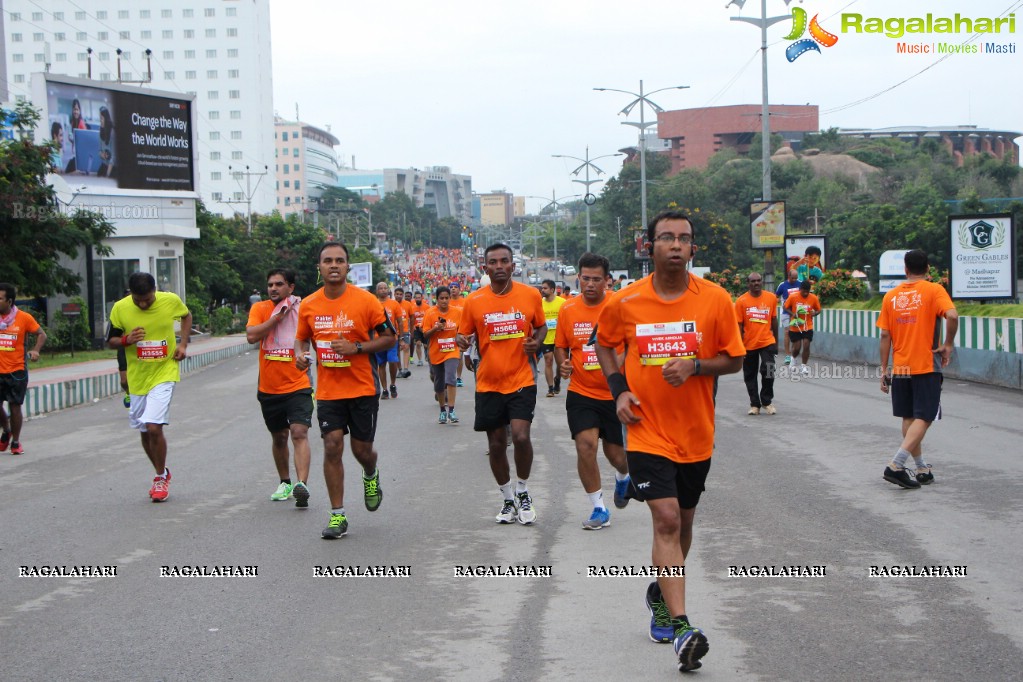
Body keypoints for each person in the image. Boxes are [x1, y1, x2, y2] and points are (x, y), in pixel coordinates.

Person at [596, 210, 744, 672]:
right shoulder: (626, 301)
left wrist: (696, 366)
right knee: (664, 521)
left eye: (684, 238)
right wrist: (619, 388)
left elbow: (734, 360)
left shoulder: (716, 300)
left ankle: (661, 593)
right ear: (650, 247)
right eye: (666, 238)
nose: (676, 245)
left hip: (696, 433)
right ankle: (683, 628)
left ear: (693, 249)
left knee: (683, 524)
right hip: (645, 429)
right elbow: (604, 344)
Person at [294, 242, 394, 539]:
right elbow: (301, 339)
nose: (334, 265)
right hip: (328, 391)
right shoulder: (309, 305)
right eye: (328, 261)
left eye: (340, 260)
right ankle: (338, 516)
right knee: (332, 445)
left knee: (361, 450)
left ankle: (370, 472)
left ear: (348, 266)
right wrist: (300, 355)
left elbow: (389, 337)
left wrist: (357, 347)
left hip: (362, 388)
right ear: (320, 267)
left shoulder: (366, 301)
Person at [456, 243, 546, 525]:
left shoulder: (530, 295)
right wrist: (462, 342)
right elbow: (464, 335)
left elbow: (541, 326)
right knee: (496, 444)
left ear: (512, 266)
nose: (498, 266)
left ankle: (522, 490)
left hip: (521, 378)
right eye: (492, 262)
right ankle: (507, 498)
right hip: (489, 383)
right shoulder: (473, 301)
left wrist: (537, 341)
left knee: (520, 436)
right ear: (485, 268)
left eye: (504, 261)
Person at [553, 254, 631, 530]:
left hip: (613, 392)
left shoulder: (619, 305)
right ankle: (598, 507)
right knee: (585, 445)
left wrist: (621, 362)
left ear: (607, 281)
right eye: (585, 278)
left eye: (596, 279)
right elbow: (561, 344)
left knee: (616, 455)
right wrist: (562, 363)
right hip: (581, 392)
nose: (589, 284)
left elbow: (633, 342)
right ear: (578, 278)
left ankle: (624, 477)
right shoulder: (568, 309)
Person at [878, 249, 958, 489]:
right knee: (925, 416)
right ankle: (896, 465)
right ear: (928, 269)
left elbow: (884, 334)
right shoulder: (934, 290)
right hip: (926, 364)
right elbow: (952, 315)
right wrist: (948, 344)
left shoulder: (890, 296)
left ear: (905, 269)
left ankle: (922, 468)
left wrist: (884, 369)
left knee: (909, 417)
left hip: (901, 366)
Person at [107, 272, 191, 501]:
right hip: (138, 377)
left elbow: (186, 316)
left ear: (155, 291)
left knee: (154, 427)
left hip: (165, 371)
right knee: (144, 430)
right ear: (131, 294)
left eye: (148, 299)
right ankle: (162, 471)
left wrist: (183, 344)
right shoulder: (120, 308)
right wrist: (126, 340)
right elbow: (110, 340)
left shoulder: (170, 300)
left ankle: (159, 478)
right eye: (138, 300)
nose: (143, 304)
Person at [246, 268, 313, 506]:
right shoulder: (260, 309)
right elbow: (252, 336)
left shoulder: (304, 309)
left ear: (291, 288)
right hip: (269, 388)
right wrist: (277, 318)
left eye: (279, 284)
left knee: (298, 432)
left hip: (298, 384)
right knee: (279, 437)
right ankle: (285, 482)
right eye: (270, 285)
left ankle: (301, 484)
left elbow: (316, 337)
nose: (273, 288)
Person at [0, 283, 47, 455]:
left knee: (14, 405)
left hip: (16, 370)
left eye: (0, 298)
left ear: (9, 301)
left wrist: (35, 350)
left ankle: (16, 441)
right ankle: (6, 430)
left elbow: (42, 334)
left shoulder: (24, 318)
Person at [736, 272, 778, 415]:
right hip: (748, 344)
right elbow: (739, 326)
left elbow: (774, 320)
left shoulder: (771, 298)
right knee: (750, 375)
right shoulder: (741, 301)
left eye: (759, 281)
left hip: (767, 341)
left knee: (769, 370)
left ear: (762, 282)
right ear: (748, 283)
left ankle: (767, 401)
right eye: (753, 281)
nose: (756, 283)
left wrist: (776, 342)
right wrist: (739, 345)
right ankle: (755, 404)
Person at [422, 286, 463, 424]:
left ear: (449, 298)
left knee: (450, 378)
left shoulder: (457, 312)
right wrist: (435, 328)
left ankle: (451, 410)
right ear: (437, 299)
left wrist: (464, 339)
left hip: (452, 350)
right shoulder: (430, 313)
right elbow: (425, 334)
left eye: (446, 298)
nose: (444, 301)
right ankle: (442, 411)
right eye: (441, 298)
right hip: (436, 351)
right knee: (439, 383)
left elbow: (463, 329)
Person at [374, 282, 405, 400]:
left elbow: (400, 322)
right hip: (378, 340)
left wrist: (401, 338)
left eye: (385, 288)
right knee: (381, 364)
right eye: (380, 288)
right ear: (377, 291)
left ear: (388, 290)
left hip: (392, 338)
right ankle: (385, 389)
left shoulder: (394, 304)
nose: (383, 290)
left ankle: (393, 383)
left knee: (392, 361)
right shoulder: (373, 303)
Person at [784, 279, 821, 376]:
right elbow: (785, 307)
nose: (805, 293)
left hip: (807, 325)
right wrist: (792, 314)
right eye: (803, 291)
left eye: (807, 291)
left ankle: (804, 366)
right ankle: (793, 358)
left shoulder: (813, 298)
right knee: (797, 347)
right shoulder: (793, 297)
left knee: (806, 344)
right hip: (795, 325)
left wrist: (815, 313)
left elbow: (818, 310)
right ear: (800, 289)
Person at [539, 279, 566, 397]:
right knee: (548, 361)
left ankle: (557, 380)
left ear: (552, 290)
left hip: (559, 337)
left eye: (545, 288)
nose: (542, 290)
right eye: (542, 288)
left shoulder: (562, 302)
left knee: (560, 364)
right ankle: (550, 389)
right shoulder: (539, 303)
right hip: (546, 338)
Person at [775, 268, 800, 365]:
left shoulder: (800, 283)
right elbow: (776, 296)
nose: (795, 280)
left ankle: (794, 355)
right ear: (789, 276)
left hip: (797, 313)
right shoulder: (782, 285)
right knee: (787, 332)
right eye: (793, 278)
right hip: (785, 312)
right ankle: (787, 355)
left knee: (795, 333)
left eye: (796, 278)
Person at [394, 287, 413, 378]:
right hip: (394, 331)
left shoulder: (408, 304)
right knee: (396, 350)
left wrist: (411, 329)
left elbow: (412, 317)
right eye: (397, 294)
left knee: (406, 348)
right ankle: (400, 369)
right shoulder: (391, 304)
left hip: (405, 330)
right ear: (394, 294)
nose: (399, 296)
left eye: (400, 294)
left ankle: (406, 369)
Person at [410, 291, 429, 366]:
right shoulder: (412, 308)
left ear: (422, 298)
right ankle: (420, 360)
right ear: (414, 299)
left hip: (425, 327)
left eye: (419, 297)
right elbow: (411, 319)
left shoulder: (427, 307)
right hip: (417, 328)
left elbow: (429, 317)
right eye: (416, 298)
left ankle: (426, 353)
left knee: (426, 345)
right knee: (418, 344)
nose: (418, 299)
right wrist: (413, 326)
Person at [97, 106, 115, 178]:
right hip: (104, 164)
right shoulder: (100, 132)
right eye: (100, 118)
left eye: (101, 118)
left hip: (112, 166)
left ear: (106, 119)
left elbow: (113, 157)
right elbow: (99, 151)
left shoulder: (112, 133)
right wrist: (102, 155)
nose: (100, 121)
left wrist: (107, 175)